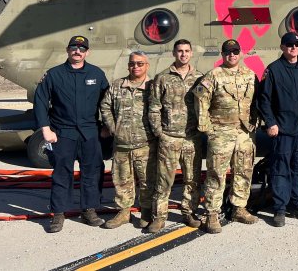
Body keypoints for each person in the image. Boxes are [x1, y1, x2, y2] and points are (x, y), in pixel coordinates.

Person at [34, 35, 109, 233]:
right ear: (67, 50)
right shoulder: (54, 74)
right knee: (61, 173)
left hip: (90, 132)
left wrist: (107, 125)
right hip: (62, 132)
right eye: (74, 48)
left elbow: (107, 102)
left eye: (82, 49)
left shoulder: (96, 74)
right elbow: (40, 101)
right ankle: (58, 214)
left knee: (92, 171)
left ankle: (89, 210)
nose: (78, 51)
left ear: (87, 52)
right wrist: (45, 128)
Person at [195, 39, 260, 233]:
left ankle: (239, 208)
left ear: (240, 53)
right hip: (221, 132)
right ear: (222, 55)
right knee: (216, 173)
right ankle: (212, 213)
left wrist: (255, 123)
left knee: (244, 170)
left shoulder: (250, 75)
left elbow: (257, 101)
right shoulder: (212, 75)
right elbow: (200, 100)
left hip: (244, 133)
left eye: (235, 51)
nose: (232, 55)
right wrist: (206, 128)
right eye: (228, 52)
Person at [257, 32, 298, 227]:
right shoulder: (273, 70)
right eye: (290, 45)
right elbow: (264, 100)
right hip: (283, 128)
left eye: (297, 44)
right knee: (280, 169)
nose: (294, 48)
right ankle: (280, 209)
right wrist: (270, 123)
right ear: (283, 47)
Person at [146, 39, 204, 233]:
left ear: (191, 53)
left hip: (191, 137)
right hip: (169, 137)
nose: (183, 54)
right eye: (180, 51)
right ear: (174, 53)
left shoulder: (200, 77)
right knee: (164, 179)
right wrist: (159, 133)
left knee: (192, 179)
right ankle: (159, 217)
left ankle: (189, 212)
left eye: (187, 51)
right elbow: (154, 108)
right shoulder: (162, 78)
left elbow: (205, 105)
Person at [100, 51, 157, 229]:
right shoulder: (117, 86)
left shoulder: (154, 87)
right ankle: (124, 212)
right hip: (122, 144)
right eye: (132, 63)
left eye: (140, 63)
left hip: (145, 144)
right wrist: (112, 127)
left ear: (147, 66)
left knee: (148, 180)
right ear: (128, 66)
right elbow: (105, 106)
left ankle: (146, 212)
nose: (136, 67)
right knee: (122, 179)